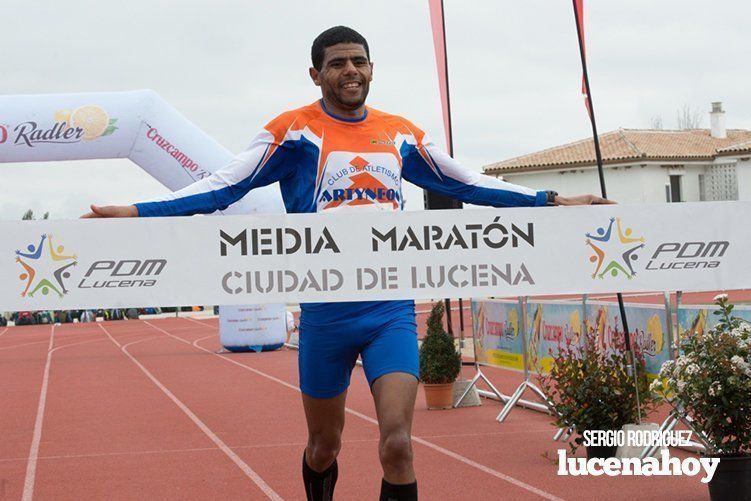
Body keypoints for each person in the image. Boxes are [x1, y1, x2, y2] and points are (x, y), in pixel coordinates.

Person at [82, 26, 612, 500]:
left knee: (398, 445)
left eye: (358, 61)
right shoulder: (292, 132)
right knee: (323, 446)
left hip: (389, 309)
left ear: (372, 68)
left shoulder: (400, 132)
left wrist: (550, 201)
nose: (350, 71)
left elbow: (468, 182)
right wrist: (135, 210)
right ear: (316, 74)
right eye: (337, 63)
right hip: (325, 315)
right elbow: (223, 186)